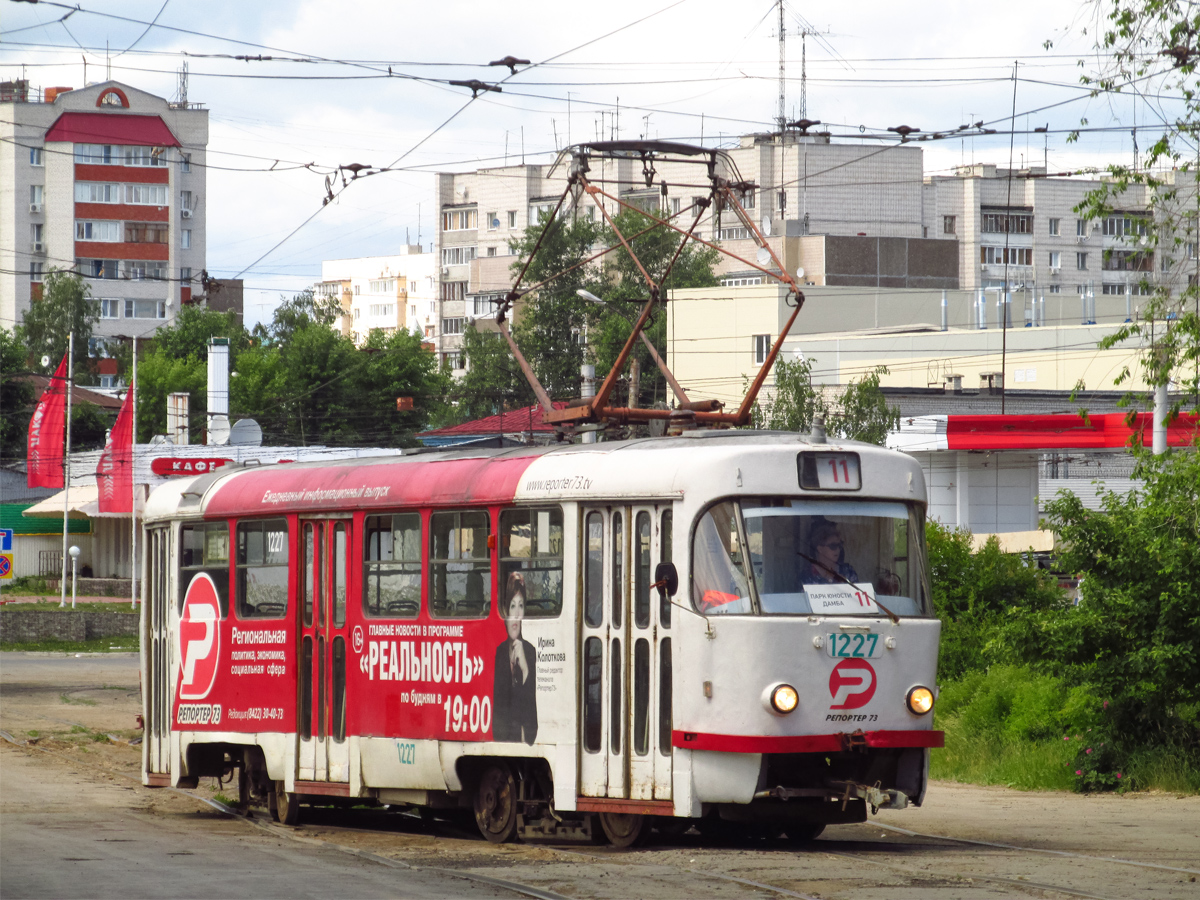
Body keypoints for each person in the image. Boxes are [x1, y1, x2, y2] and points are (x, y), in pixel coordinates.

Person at [492, 572, 538, 744]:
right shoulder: (500, 652)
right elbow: (498, 708)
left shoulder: (530, 651)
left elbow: (531, 713)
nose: (516, 615)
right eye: (512, 606)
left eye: (520, 606)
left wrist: (525, 669)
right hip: (504, 740)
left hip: (525, 741)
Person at [799, 519, 859, 585]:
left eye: (839, 545)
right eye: (833, 546)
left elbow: (856, 593)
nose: (838, 550)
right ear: (820, 549)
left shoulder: (848, 571)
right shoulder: (807, 574)